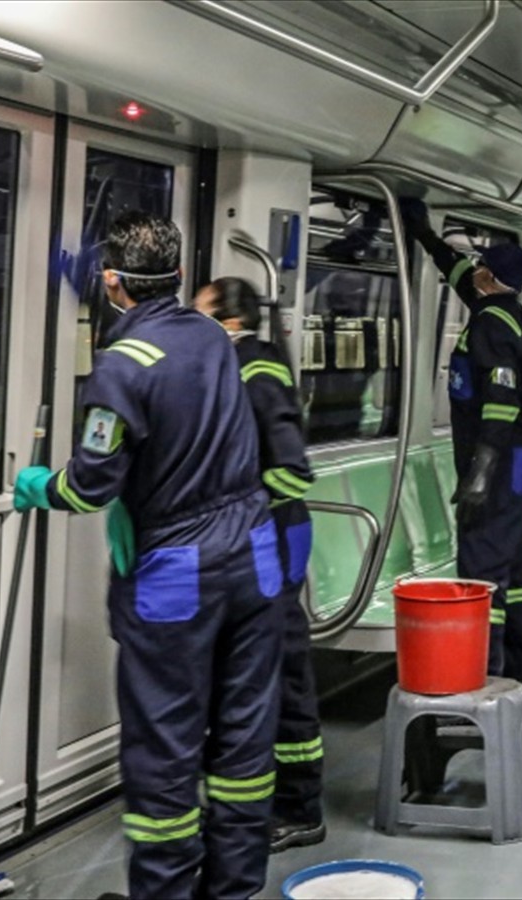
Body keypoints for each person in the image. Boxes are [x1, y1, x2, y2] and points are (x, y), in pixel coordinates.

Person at [12, 213, 281, 899]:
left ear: (112, 284)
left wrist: (42, 486)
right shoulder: (212, 337)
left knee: (165, 748)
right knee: (244, 743)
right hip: (256, 553)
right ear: (178, 277)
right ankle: (234, 890)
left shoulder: (120, 367)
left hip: (179, 571)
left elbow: (91, 484)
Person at [398, 197, 522, 698]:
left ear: (491, 277)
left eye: (481, 267)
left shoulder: (491, 325)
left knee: (483, 575)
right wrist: (425, 235)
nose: (475, 272)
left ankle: (485, 677)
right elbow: (459, 269)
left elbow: (501, 402)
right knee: (517, 574)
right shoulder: (505, 310)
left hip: (502, 462)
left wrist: (480, 474)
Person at [192, 277, 326, 854]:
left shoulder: (258, 369)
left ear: (228, 318)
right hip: (252, 541)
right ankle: (245, 802)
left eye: (198, 312)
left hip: (273, 539)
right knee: (243, 675)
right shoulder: (227, 366)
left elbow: (288, 469)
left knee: (283, 673)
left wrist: (241, 512)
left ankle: (300, 808)